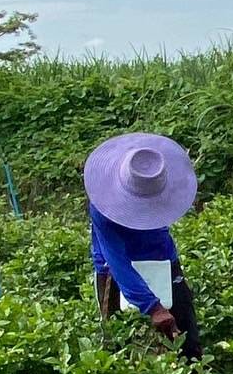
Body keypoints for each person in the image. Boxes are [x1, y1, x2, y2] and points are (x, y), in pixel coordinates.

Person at [84, 132, 203, 359]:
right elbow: (117, 260)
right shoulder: (103, 205)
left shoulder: (160, 180)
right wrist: (153, 308)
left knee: (187, 338)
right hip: (114, 271)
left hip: (161, 260)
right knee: (123, 343)